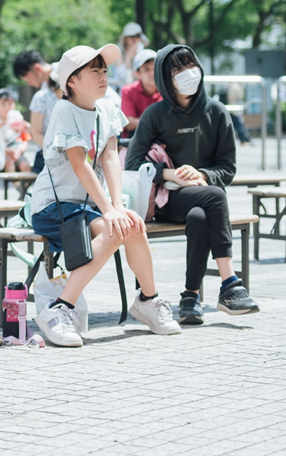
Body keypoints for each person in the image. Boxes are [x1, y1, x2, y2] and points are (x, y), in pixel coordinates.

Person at [28, 44, 182, 347]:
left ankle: (148, 301)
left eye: (104, 70)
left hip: (88, 205)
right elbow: (80, 164)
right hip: (53, 207)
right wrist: (109, 210)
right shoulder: (63, 109)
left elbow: (111, 158)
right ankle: (59, 309)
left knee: (131, 223)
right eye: (94, 70)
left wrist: (117, 207)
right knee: (114, 229)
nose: (102, 76)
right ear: (71, 80)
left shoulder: (108, 107)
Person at [125, 44, 260, 325]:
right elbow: (133, 163)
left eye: (190, 66)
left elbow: (227, 167)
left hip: (201, 199)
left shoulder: (217, 112)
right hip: (165, 201)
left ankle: (190, 297)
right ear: (165, 78)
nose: (187, 74)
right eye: (177, 70)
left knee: (201, 213)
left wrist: (204, 175)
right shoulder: (154, 114)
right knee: (214, 197)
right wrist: (169, 175)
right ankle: (230, 284)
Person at [13, 49, 59, 173]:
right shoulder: (42, 94)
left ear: (37, 69)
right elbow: (36, 132)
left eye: (28, 79)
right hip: (51, 154)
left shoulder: (65, 72)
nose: (29, 83)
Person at [120, 49, 161, 138]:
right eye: (147, 69)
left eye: (155, 68)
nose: (152, 73)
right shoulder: (128, 91)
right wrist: (158, 124)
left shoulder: (166, 90)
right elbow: (129, 123)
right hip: (134, 139)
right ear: (137, 73)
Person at [0, 88, 31, 173]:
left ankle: (23, 186)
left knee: (25, 165)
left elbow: (25, 139)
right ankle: (14, 183)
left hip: (18, 153)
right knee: (9, 163)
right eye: (3, 104)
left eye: (10, 104)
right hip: (2, 154)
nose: (7, 107)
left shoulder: (19, 122)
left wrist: (21, 149)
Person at [111, 22, 150, 89]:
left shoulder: (141, 53)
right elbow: (124, 76)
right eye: (132, 36)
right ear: (125, 38)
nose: (135, 39)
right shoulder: (118, 53)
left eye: (138, 36)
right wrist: (128, 56)